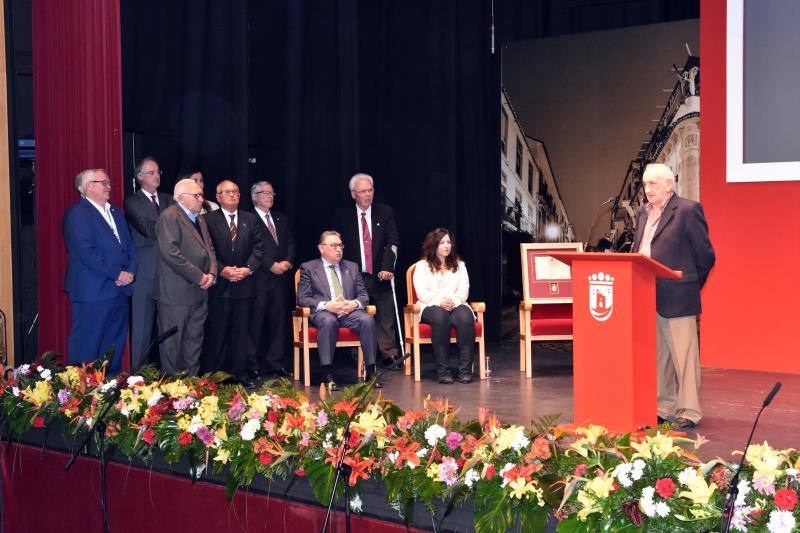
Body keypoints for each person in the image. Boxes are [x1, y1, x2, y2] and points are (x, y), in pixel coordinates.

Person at [632, 163, 715, 430]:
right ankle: (664, 407)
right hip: (647, 294)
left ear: (670, 184)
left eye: (653, 183)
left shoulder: (688, 210)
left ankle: (689, 411)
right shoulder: (642, 215)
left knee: (685, 358)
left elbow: (706, 256)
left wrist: (689, 283)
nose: (648, 189)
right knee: (660, 357)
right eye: (645, 184)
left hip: (678, 294)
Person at [63, 168, 137, 374]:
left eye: (109, 182)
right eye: (103, 182)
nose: (109, 186)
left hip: (119, 291)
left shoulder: (115, 212)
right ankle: (81, 397)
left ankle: (110, 390)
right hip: (92, 292)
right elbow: (87, 252)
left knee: (114, 345)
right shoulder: (77, 213)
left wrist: (130, 271)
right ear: (87, 187)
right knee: (87, 346)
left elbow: (130, 245)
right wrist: (118, 274)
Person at [296, 231, 381, 390]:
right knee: (329, 321)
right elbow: (302, 298)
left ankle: (370, 371)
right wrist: (326, 305)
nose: (338, 250)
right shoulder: (308, 268)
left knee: (367, 320)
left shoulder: (352, 267)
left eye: (340, 245)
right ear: (321, 248)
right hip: (323, 312)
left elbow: (363, 296)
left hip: (348, 312)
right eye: (333, 246)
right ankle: (327, 374)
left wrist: (353, 304)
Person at [333, 173, 401, 369]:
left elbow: (393, 242)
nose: (368, 194)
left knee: (386, 314)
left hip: (380, 273)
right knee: (358, 314)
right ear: (354, 194)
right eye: (363, 191)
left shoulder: (384, 212)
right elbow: (336, 245)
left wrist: (387, 268)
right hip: (353, 275)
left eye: (370, 190)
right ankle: (359, 356)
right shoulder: (342, 215)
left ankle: (388, 353)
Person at [201, 180, 263, 386]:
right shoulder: (207, 219)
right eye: (227, 192)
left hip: (244, 285)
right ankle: (214, 377)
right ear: (217, 197)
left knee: (241, 334)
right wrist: (222, 270)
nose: (232, 195)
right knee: (217, 332)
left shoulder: (250, 219)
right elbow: (205, 250)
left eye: (236, 192)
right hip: (219, 286)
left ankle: (240, 376)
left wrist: (247, 269)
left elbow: (259, 249)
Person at [156, 178, 218, 376]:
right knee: (173, 346)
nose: (201, 199)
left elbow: (210, 250)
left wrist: (212, 273)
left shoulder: (200, 219)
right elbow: (171, 253)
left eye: (201, 195)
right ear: (181, 198)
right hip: (176, 294)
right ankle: (172, 393)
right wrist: (200, 277)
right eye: (197, 195)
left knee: (194, 342)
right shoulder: (170, 216)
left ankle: (192, 387)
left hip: (199, 293)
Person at [123, 157, 174, 370]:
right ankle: (138, 375)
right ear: (139, 177)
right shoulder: (131, 202)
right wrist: (170, 225)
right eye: (151, 172)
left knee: (169, 327)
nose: (157, 175)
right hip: (145, 271)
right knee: (142, 327)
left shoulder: (169, 199)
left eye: (158, 171)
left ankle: (169, 375)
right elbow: (147, 228)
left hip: (170, 271)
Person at [412, 228, 475, 384]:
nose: (446, 246)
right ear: (434, 245)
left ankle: (465, 371)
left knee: (466, 316)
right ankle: (443, 371)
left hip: (455, 302)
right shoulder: (422, 266)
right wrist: (439, 301)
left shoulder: (459, 265)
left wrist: (453, 300)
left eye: (448, 242)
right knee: (440, 317)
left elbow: (464, 289)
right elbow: (421, 292)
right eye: (442, 242)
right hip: (430, 304)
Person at [248, 181, 295, 379]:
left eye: (271, 192)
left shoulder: (280, 218)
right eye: (264, 193)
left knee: (278, 322)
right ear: (254, 197)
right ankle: (253, 365)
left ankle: (275, 364)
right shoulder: (248, 219)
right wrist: (270, 265)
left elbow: (291, 242)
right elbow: (253, 246)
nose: (269, 196)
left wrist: (287, 261)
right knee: (256, 323)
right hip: (259, 278)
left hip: (280, 279)